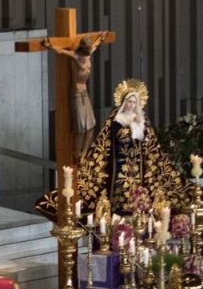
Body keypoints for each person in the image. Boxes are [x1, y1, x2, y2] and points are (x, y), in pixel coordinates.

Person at [76, 78, 191, 215]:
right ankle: (120, 209)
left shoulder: (141, 118)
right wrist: (132, 128)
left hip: (138, 162)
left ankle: (139, 207)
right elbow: (118, 136)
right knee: (122, 185)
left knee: (139, 185)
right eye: (129, 101)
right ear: (124, 102)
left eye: (134, 102)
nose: (131, 105)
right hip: (121, 160)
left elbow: (147, 139)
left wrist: (139, 129)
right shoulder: (117, 118)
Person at [43, 32, 108, 159]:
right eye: (88, 48)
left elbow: (95, 44)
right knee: (81, 127)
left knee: (91, 125)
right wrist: (49, 45)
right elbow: (61, 51)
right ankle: (77, 153)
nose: (90, 50)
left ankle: (84, 152)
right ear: (84, 48)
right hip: (77, 94)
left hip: (85, 93)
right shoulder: (76, 56)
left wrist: (101, 37)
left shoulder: (88, 55)